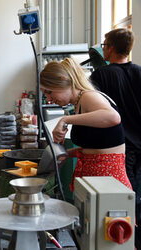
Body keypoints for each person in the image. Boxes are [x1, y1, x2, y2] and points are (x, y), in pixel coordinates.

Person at [40, 57, 132, 191]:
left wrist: (65, 120)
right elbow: (94, 147)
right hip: (94, 177)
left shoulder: (88, 97)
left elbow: (113, 117)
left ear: (64, 80)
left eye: (49, 92)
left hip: (107, 178)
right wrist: (61, 153)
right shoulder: (79, 103)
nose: (48, 98)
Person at [90, 28, 141, 249]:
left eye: (104, 45)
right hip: (140, 144)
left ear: (110, 48)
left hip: (120, 148)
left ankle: (123, 242)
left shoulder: (101, 75)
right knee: (138, 198)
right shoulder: (139, 72)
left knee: (123, 201)